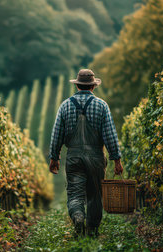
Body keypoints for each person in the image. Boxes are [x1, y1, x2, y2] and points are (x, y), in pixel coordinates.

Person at [48, 69, 123, 238]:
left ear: (78, 85)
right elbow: (110, 135)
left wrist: (54, 158)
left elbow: (57, 134)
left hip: (74, 157)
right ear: (92, 86)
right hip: (96, 157)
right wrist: (116, 159)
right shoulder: (101, 105)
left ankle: (78, 216)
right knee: (95, 194)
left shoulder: (65, 105)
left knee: (74, 192)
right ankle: (92, 230)